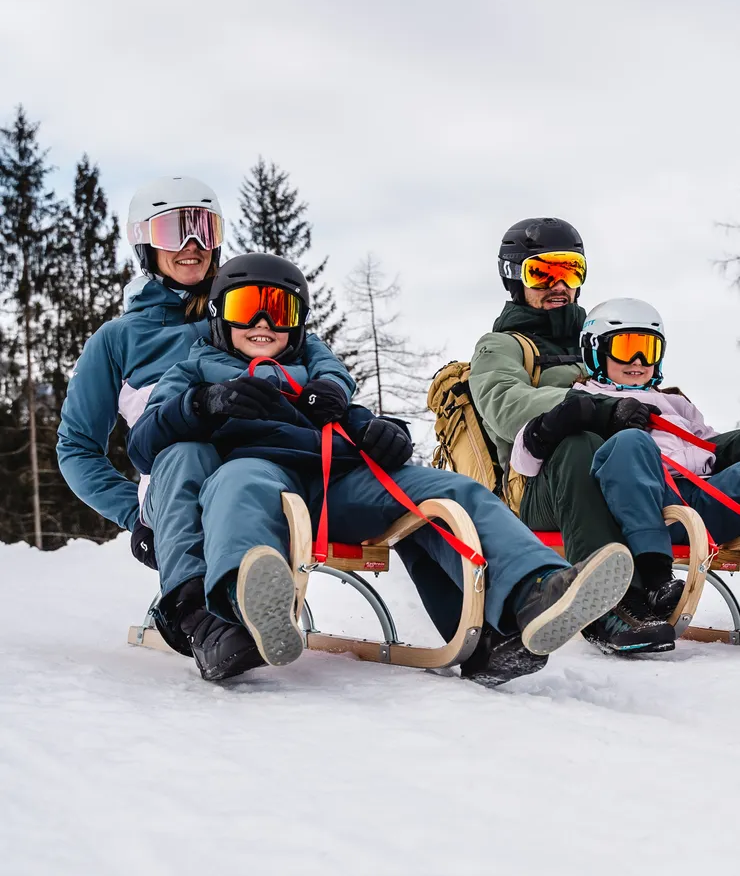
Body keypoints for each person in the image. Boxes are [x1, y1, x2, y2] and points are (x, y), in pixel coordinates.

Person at [127, 252, 635, 687]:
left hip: (339, 479)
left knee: (449, 490)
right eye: (246, 307)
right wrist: (204, 404)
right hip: (255, 474)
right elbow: (145, 443)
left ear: (298, 321)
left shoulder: (322, 378)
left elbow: (358, 425)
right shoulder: (193, 371)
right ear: (220, 316)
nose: (264, 323)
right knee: (238, 485)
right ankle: (243, 609)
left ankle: (535, 590)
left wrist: (380, 432)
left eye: (280, 310)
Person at [57, 176, 270, 677]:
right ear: (145, 242)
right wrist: (133, 516)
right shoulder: (119, 339)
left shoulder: (247, 313)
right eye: (176, 230)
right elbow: (77, 446)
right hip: (175, 480)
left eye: (204, 228)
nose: (192, 245)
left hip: (261, 468)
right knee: (188, 453)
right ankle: (197, 615)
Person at [469, 218, 674, 654]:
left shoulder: (601, 339)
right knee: (578, 443)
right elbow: (506, 406)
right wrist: (599, 410)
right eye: (541, 273)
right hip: (537, 487)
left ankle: (651, 587)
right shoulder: (503, 346)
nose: (557, 284)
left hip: (620, 477)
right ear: (515, 278)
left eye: (570, 271)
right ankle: (604, 607)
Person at [510, 297, 740, 651]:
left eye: (647, 349)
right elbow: (524, 462)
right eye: (626, 347)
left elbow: (708, 452)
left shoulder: (677, 405)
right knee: (631, 443)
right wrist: (568, 420)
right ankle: (654, 576)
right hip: (629, 507)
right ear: (595, 351)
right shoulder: (578, 397)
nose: (637, 361)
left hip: (692, 504)